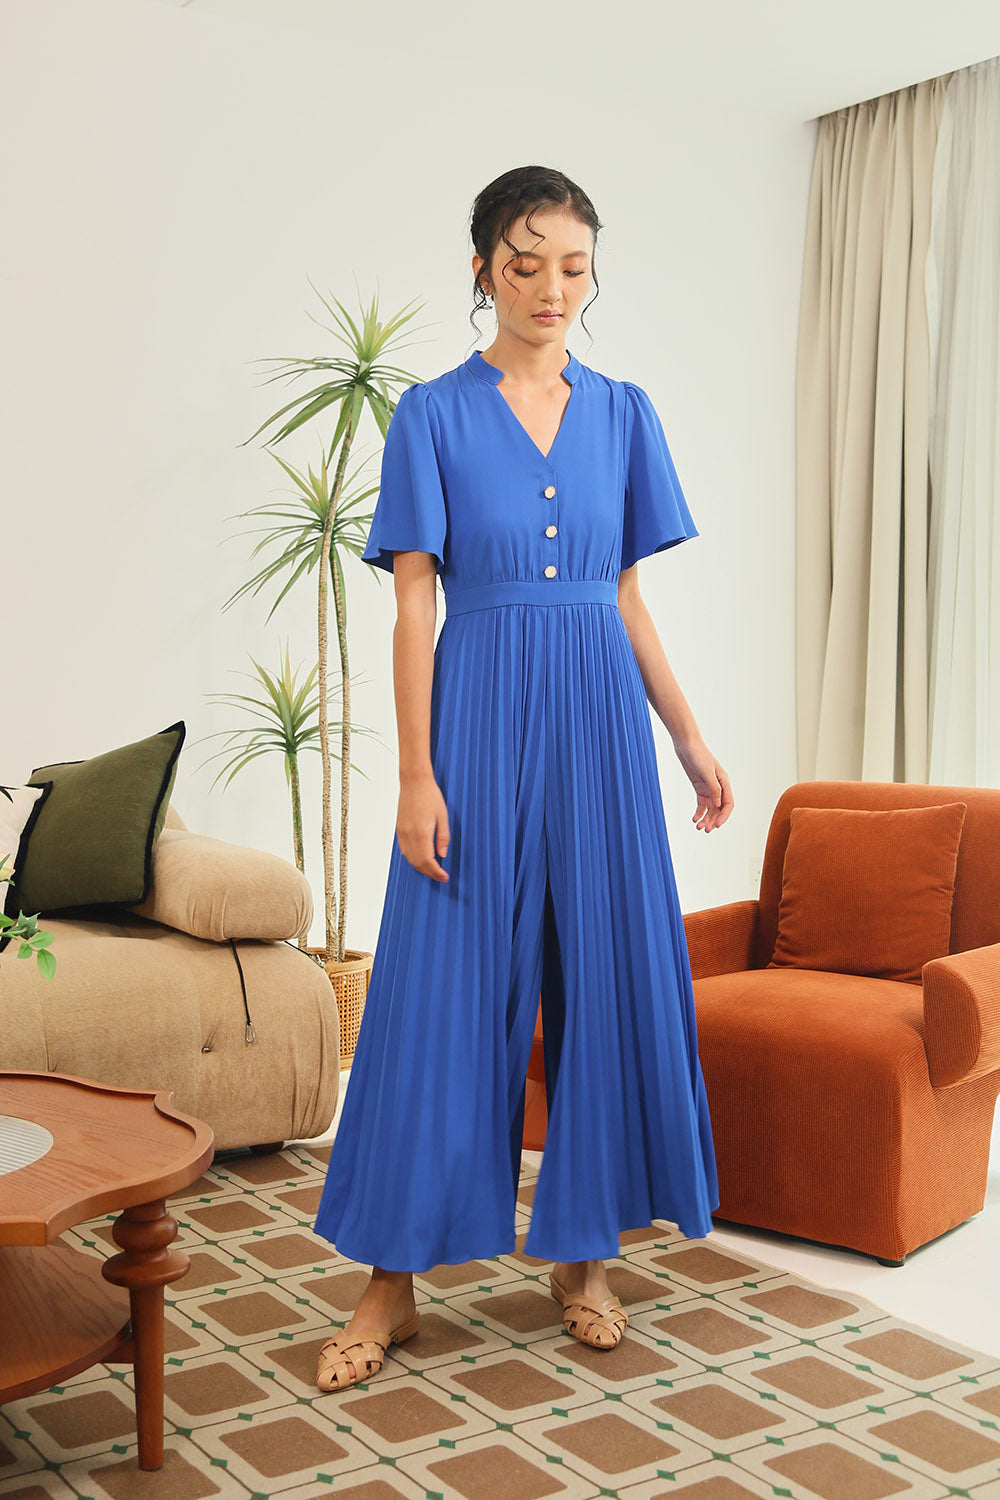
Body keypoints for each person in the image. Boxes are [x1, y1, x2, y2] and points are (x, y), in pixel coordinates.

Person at [312, 164, 733, 1393]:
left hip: (600, 723)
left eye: (573, 265)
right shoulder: (431, 415)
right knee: (437, 993)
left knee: (603, 976)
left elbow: (625, 597)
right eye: (525, 262)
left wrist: (687, 735)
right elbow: (413, 607)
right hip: (478, 719)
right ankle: (390, 1286)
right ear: (484, 269)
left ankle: (582, 1259)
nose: (552, 287)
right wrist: (415, 775)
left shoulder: (625, 414)